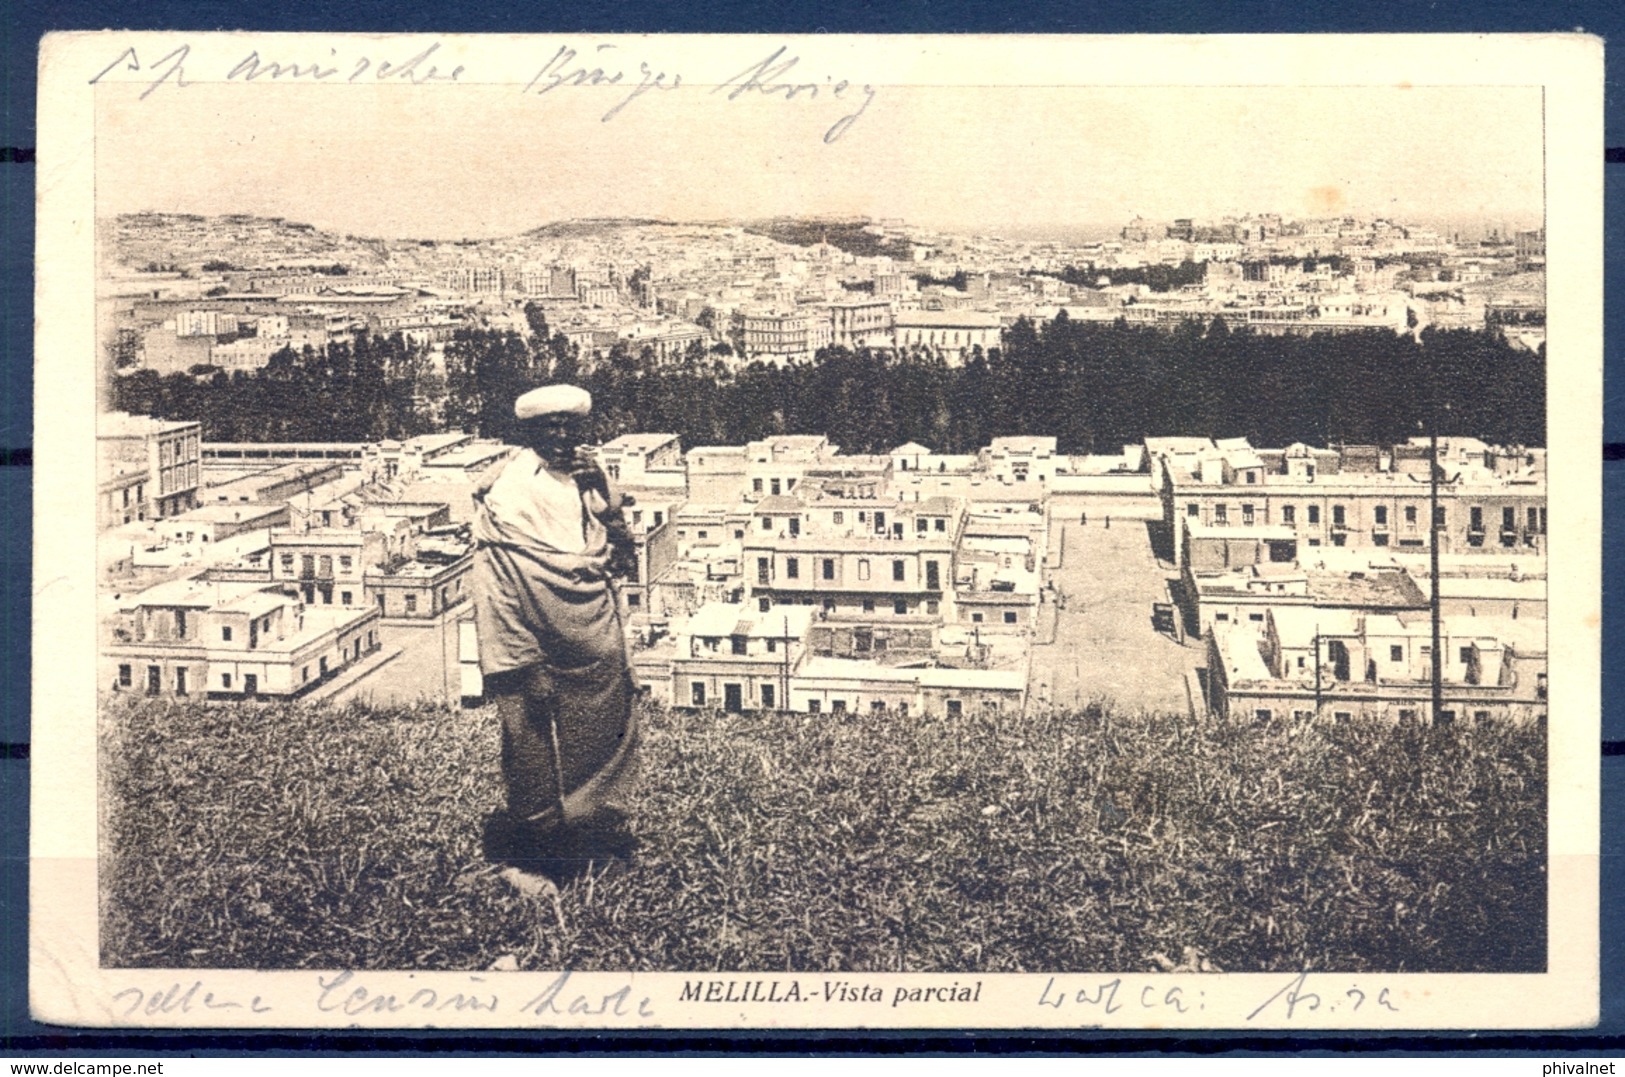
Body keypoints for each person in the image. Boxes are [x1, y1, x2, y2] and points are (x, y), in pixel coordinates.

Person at [471, 384, 639, 885]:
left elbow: (621, 559)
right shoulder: (508, 495)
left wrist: (607, 504)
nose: (563, 438)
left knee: (600, 736)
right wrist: (523, 659)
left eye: (571, 427)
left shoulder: (585, 482)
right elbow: (498, 587)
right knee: (530, 744)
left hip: (591, 644)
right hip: (530, 646)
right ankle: (534, 857)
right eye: (550, 429)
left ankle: (584, 838)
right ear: (529, 434)